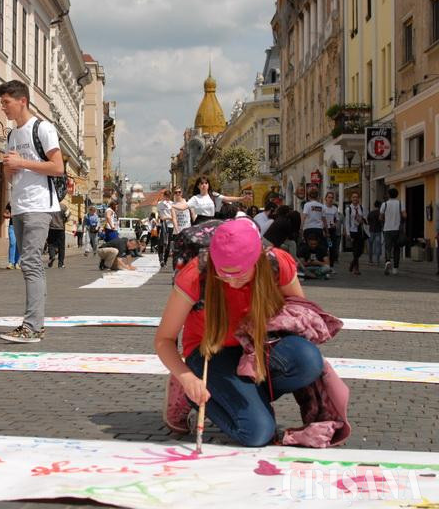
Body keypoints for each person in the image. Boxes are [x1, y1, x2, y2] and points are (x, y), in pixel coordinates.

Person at [154, 220, 324, 447]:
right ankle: (193, 394)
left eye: (240, 274)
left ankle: (244, 398)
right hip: (211, 352)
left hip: (257, 345)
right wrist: (187, 378)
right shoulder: (195, 275)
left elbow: (300, 316)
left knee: (308, 360)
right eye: (223, 275)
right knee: (257, 433)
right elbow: (164, 339)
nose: (232, 281)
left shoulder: (277, 263)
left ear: (257, 260)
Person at [0, 80, 63, 343]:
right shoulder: (12, 135)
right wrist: (9, 167)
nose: (3, 108)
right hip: (20, 205)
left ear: (22, 101)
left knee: (31, 262)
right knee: (28, 264)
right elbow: (9, 175)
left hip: (39, 205)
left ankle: (33, 326)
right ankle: (34, 323)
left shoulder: (42, 128)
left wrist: (22, 162)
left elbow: (57, 167)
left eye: (6, 102)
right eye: (1, 103)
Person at [381, 187, 406, 276]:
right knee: (396, 248)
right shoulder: (400, 203)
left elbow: (380, 217)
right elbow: (404, 215)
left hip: (387, 229)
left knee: (388, 247)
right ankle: (395, 268)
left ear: (388, 195)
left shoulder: (384, 204)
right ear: (397, 195)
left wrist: (386, 219)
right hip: (397, 230)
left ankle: (388, 261)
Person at [344, 191, 367, 275]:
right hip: (353, 231)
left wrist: (362, 220)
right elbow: (347, 222)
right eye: (353, 197)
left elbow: (365, 219)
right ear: (351, 199)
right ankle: (356, 268)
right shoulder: (348, 209)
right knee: (355, 250)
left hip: (360, 230)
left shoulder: (361, 208)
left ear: (358, 199)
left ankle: (352, 262)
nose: (355, 199)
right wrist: (348, 233)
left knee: (360, 250)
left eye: (356, 197)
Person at [47, 202, 69, 268]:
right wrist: (64, 221)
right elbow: (67, 215)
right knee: (61, 246)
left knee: (51, 243)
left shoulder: (49, 205)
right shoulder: (63, 206)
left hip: (51, 228)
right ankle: (61, 263)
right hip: (61, 228)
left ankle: (52, 256)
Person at [323, 192, 341, 268]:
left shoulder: (335, 208)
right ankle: (324, 265)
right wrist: (323, 230)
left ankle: (331, 266)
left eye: (332, 198)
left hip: (332, 230)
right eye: (329, 197)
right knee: (324, 247)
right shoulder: (323, 208)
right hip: (324, 230)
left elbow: (337, 219)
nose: (330, 199)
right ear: (326, 198)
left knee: (332, 248)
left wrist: (335, 224)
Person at [4, 202, 20, 269]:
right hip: (12, 226)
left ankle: (17, 263)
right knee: (12, 243)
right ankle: (11, 263)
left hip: (21, 227)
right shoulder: (11, 203)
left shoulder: (25, 202)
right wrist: (10, 215)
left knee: (18, 245)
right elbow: (5, 214)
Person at [367, 200, 383, 265]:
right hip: (378, 231)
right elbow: (381, 221)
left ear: (374, 205)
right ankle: (377, 261)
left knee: (370, 246)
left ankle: (370, 260)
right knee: (378, 246)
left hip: (371, 230)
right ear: (380, 206)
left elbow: (368, 221)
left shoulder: (371, 213)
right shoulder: (380, 213)